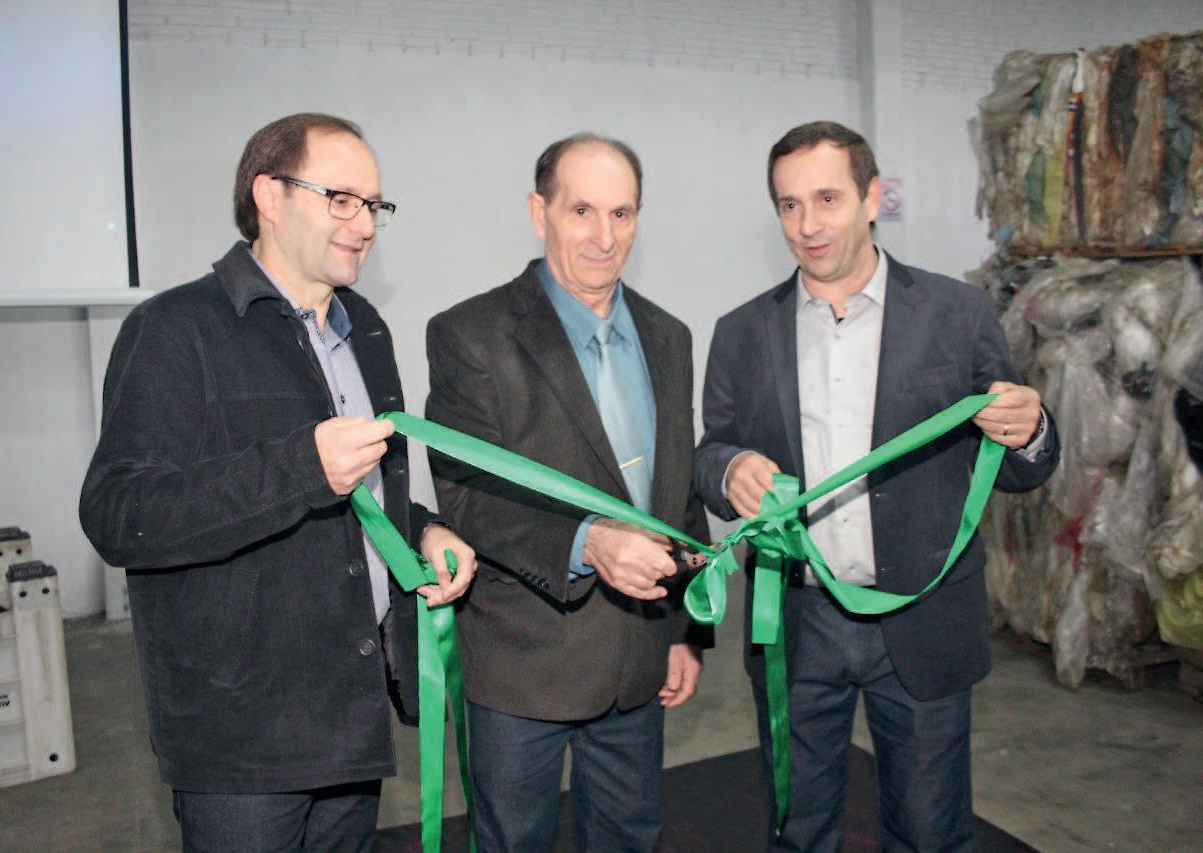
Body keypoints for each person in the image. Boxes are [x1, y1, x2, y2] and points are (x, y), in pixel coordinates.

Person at [79, 113, 476, 853]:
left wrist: (423, 530)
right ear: (269, 195)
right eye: (341, 199)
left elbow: (366, 493)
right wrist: (299, 469)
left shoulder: (366, 328)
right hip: (242, 739)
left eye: (374, 205)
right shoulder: (174, 329)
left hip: (352, 715)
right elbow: (119, 512)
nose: (365, 225)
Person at [693, 121, 1059, 851]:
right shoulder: (742, 331)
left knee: (930, 830)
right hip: (797, 620)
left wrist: (1031, 428)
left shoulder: (958, 315)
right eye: (789, 204)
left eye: (827, 198)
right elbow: (709, 453)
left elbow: (1021, 466)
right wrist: (728, 469)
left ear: (871, 198)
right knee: (797, 826)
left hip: (923, 615)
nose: (808, 224)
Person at [425, 132, 710, 852]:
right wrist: (588, 542)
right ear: (538, 212)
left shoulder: (670, 337)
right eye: (582, 210)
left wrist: (685, 630)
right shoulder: (471, 335)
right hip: (523, 669)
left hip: (639, 660)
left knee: (629, 837)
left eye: (621, 213)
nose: (603, 236)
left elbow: (676, 492)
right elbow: (467, 497)